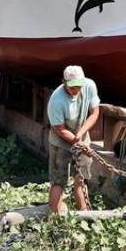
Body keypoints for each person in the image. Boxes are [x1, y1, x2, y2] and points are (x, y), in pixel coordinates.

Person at [46, 65, 100, 214]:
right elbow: (60, 129)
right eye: (72, 87)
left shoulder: (89, 86)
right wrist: (78, 142)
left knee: (81, 179)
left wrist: (81, 134)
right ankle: (55, 217)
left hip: (80, 135)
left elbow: (94, 113)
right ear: (63, 82)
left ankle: (84, 213)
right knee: (59, 181)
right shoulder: (56, 101)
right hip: (60, 141)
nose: (76, 90)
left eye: (79, 86)